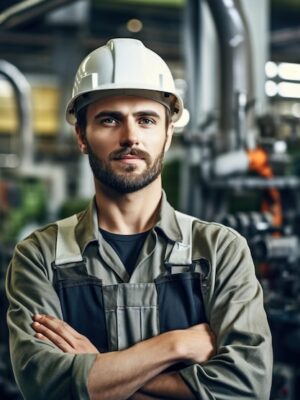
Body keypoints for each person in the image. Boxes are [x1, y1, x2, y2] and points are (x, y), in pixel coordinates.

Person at [6, 38, 272, 400]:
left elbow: (247, 388)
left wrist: (97, 370)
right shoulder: (40, 256)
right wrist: (174, 345)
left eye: (146, 120)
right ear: (82, 135)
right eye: (110, 119)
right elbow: (45, 385)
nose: (130, 136)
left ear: (167, 134)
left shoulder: (220, 251)